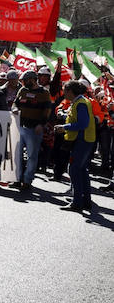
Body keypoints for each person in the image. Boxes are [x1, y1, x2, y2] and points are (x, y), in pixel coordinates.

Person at [55, 81, 97, 212]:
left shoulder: (81, 103)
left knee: (74, 169)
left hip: (82, 140)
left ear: (70, 91)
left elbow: (83, 124)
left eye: (64, 90)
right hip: (84, 139)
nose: (63, 93)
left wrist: (64, 127)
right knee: (81, 169)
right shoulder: (80, 101)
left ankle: (77, 202)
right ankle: (85, 201)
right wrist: (64, 116)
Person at [11, 71, 52, 191]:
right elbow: (15, 102)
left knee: (32, 156)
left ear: (32, 80)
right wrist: (14, 108)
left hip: (34, 129)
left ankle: (27, 180)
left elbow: (47, 110)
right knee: (17, 155)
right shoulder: (22, 90)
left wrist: (41, 124)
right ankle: (17, 179)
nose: (23, 83)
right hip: (20, 127)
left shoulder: (44, 93)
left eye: (25, 80)